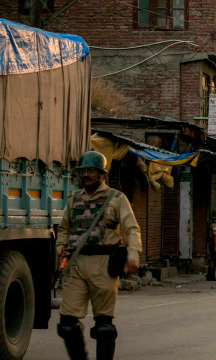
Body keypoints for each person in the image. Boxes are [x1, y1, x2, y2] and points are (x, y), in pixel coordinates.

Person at [55, 151, 141, 360]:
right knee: (67, 323)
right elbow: (65, 227)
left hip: (103, 263)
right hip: (76, 263)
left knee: (104, 326)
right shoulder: (73, 199)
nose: (86, 175)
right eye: (83, 171)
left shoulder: (116, 198)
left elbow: (131, 229)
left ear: (102, 174)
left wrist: (133, 257)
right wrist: (60, 247)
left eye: (91, 171)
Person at [206, 210, 216, 281]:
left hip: (212, 244)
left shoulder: (211, 224)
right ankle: (211, 275)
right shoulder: (214, 225)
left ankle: (210, 275)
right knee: (213, 260)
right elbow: (215, 236)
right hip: (213, 245)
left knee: (213, 259)